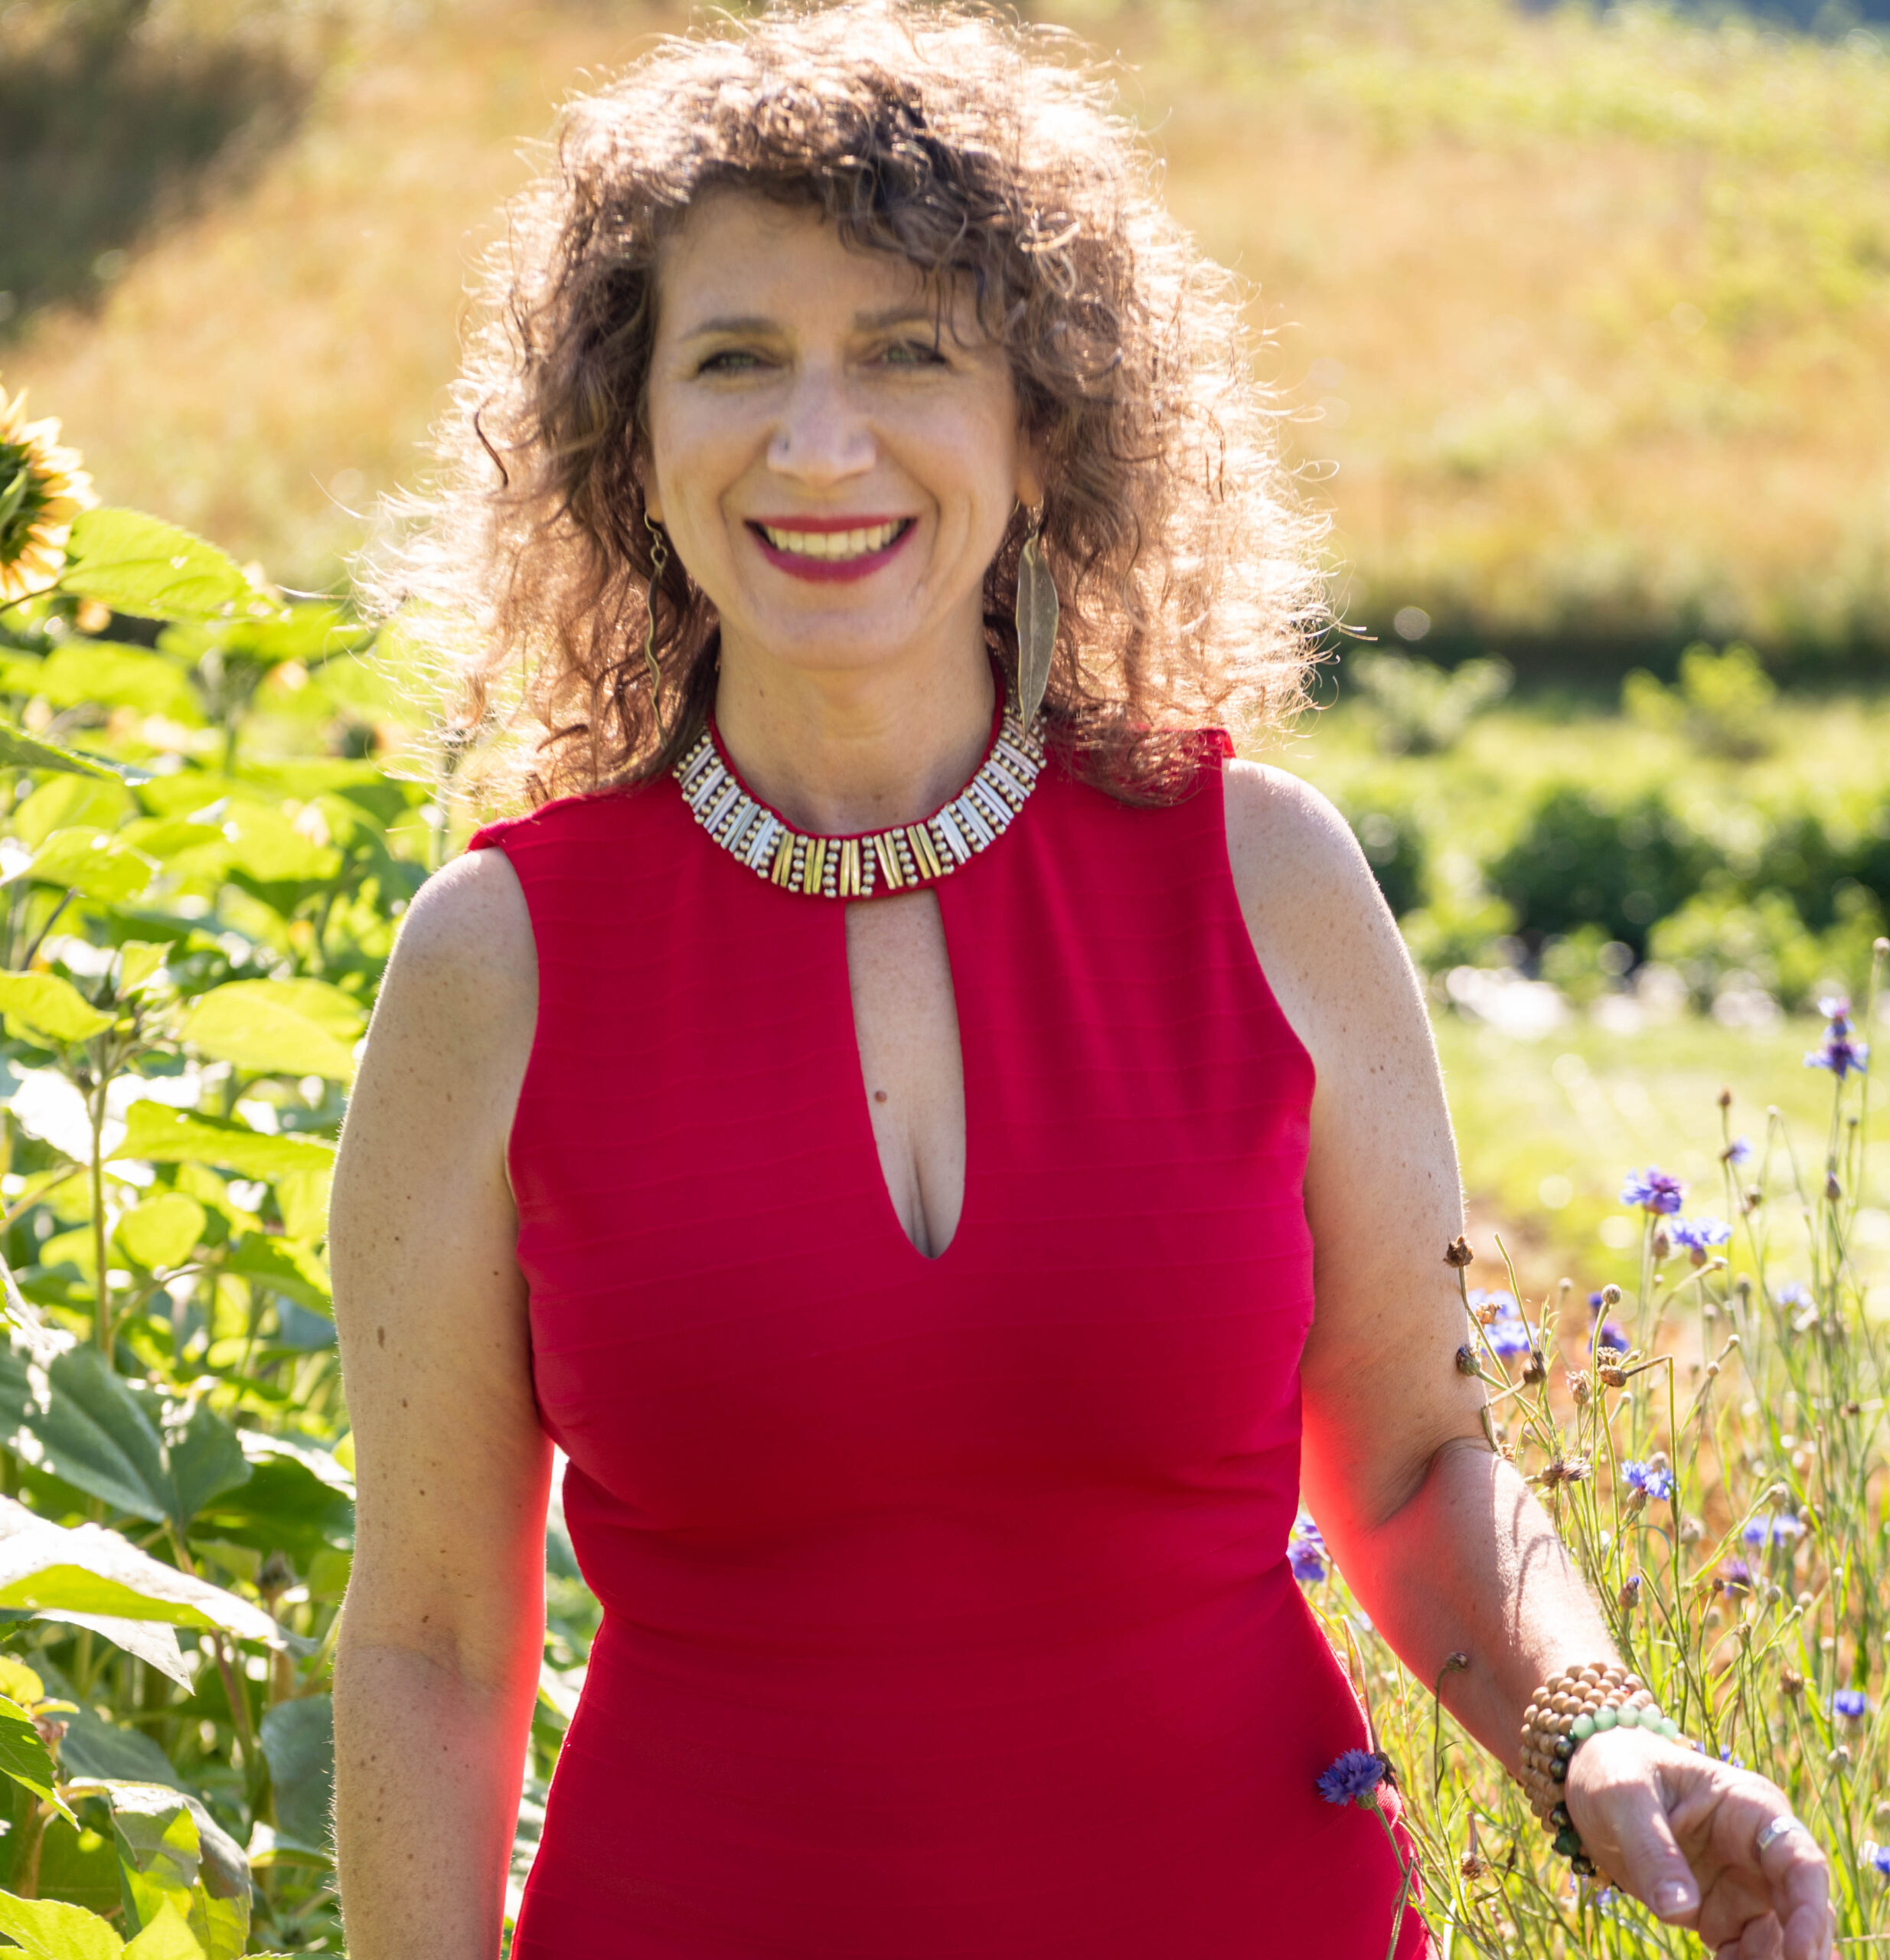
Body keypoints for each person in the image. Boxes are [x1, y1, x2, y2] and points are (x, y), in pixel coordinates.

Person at [328, 5, 1835, 1955]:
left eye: (904, 355)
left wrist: (1594, 1723)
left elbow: (1411, 1458)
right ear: (633, 442)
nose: (816, 442)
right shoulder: (497, 959)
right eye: (735, 361)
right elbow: (435, 1638)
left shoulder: (1260, 873)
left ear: (1040, 422)